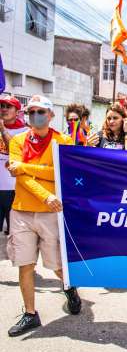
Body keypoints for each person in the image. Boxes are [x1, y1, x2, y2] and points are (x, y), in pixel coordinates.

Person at [6, 95, 82, 337]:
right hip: (22, 211)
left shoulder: (63, 141)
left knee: (57, 265)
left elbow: (60, 173)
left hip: (51, 213)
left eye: (40, 111)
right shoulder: (17, 141)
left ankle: (69, 287)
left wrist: (25, 167)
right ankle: (30, 313)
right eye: (31, 112)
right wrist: (45, 193)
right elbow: (20, 177)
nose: (35, 116)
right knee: (25, 264)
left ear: (51, 115)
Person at [0, 96, 28, 235]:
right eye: (2, 106)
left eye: (8, 106)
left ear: (17, 112)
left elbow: (14, 150)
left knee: (14, 232)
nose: (4, 109)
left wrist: (3, 129)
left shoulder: (25, 131)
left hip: (13, 188)